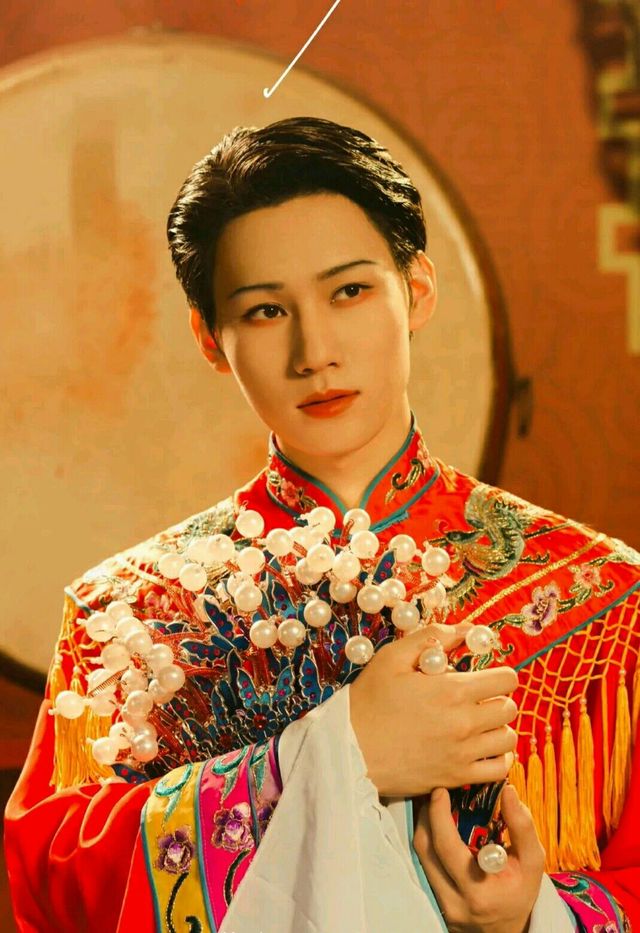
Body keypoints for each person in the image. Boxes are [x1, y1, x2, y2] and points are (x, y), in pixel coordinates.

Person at [5, 116, 640, 933]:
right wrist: (332, 754)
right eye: (266, 310)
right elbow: (53, 877)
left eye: (349, 291)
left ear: (416, 290)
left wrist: (534, 915)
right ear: (210, 338)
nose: (315, 351)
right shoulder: (127, 614)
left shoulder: (601, 596)